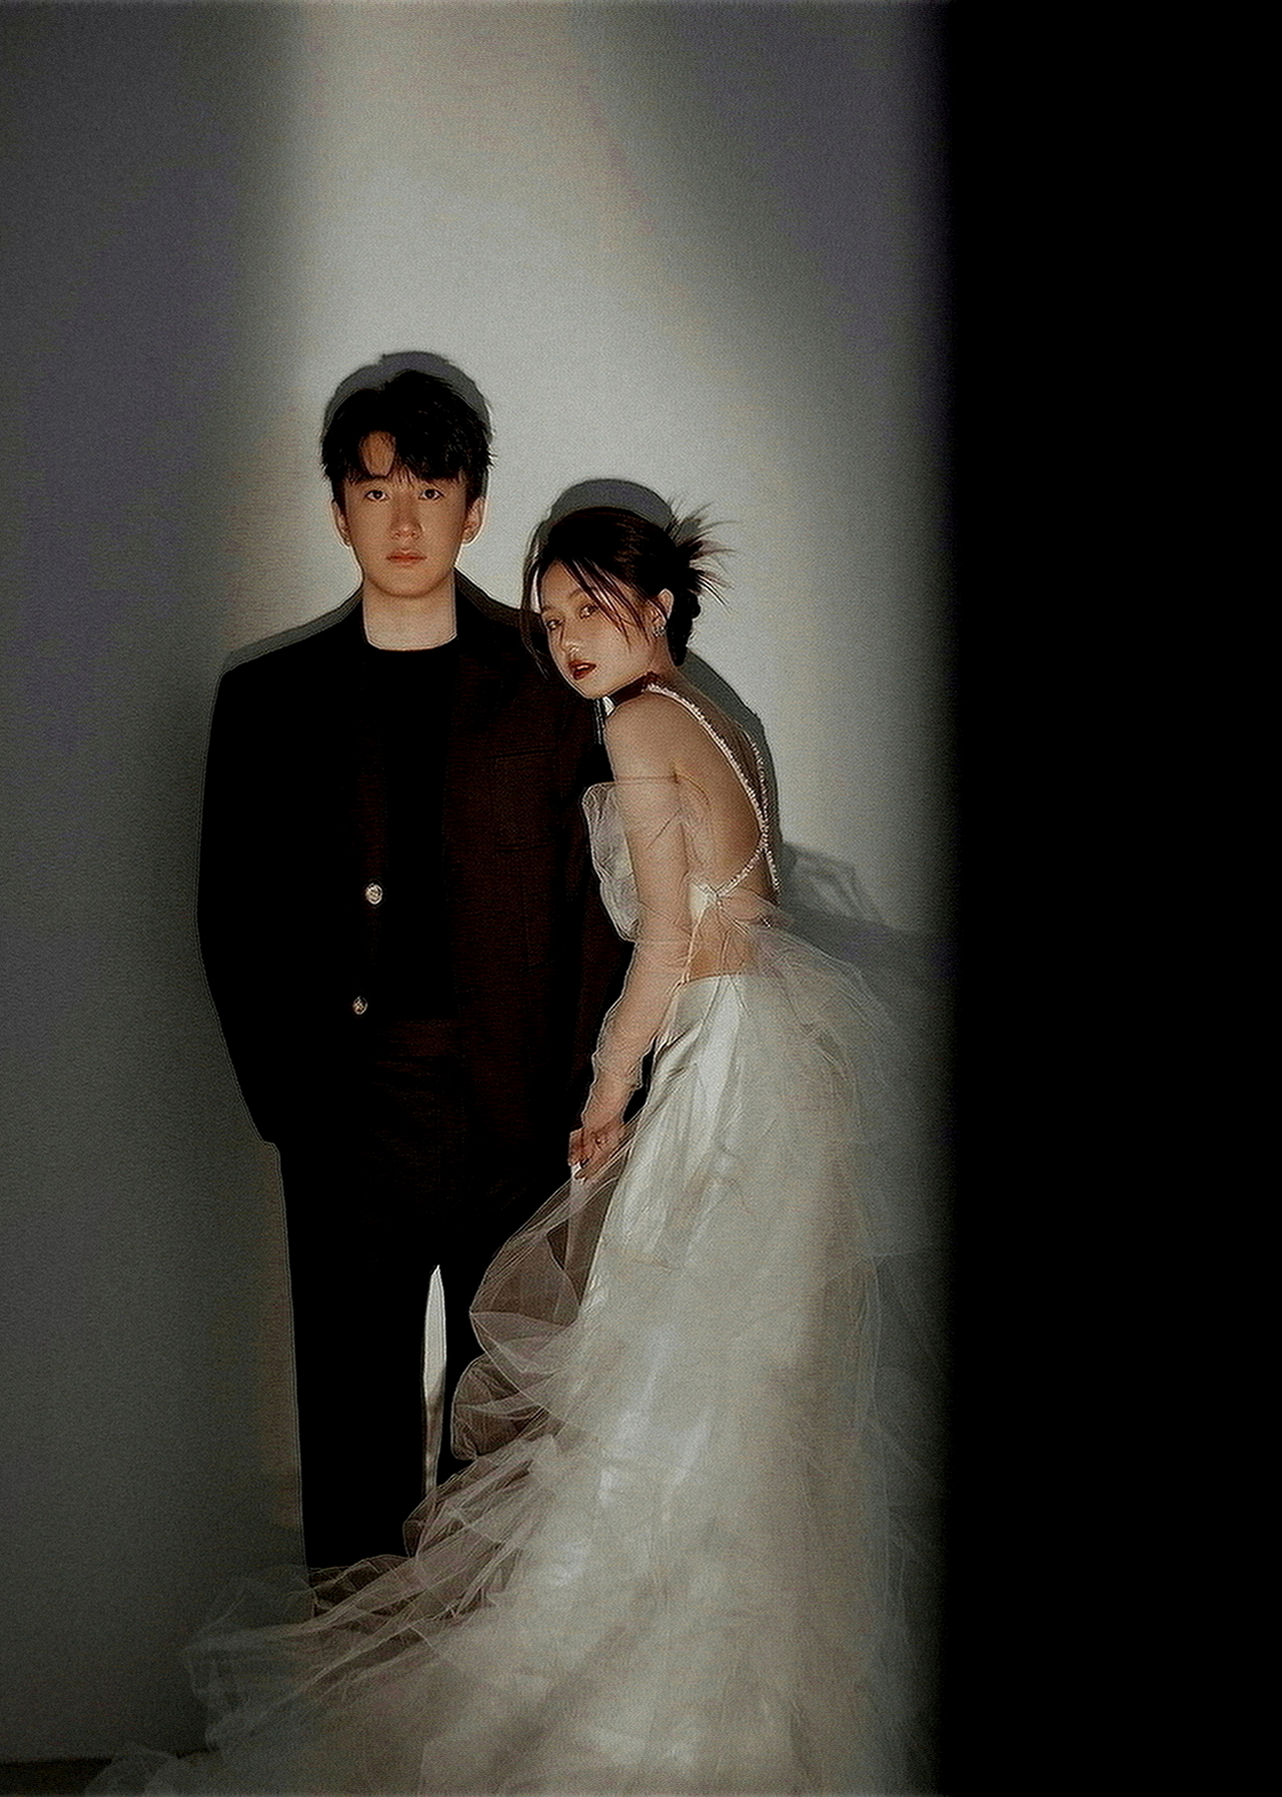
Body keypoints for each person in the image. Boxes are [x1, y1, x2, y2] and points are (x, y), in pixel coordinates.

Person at [120, 504, 935, 1794]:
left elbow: (663, 944)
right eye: (550, 621)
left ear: (655, 606)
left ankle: (642, 1722)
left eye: (587, 611)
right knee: (742, 1391)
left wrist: (607, 1090)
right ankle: (747, 1731)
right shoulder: (722, 716)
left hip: (719, 1068)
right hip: (774, 1064)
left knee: (671, 1386)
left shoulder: (638, 725)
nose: (566, 644)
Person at [195, 373, 626, 1567]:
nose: (403, 518)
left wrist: (582, 1094)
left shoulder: (548, 683)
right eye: (376, 488)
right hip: (348, 1112)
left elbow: (598, 906)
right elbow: (231, 917)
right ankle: (355, 1681)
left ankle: (481, 1679)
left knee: (508, 1430)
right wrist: (293, 1106)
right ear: (337, 509)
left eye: (431, 490)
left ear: (474, 510)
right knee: (351, 1436)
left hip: (513, 1112)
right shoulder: (267, 701)